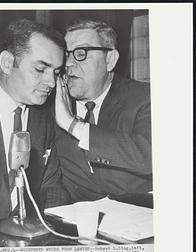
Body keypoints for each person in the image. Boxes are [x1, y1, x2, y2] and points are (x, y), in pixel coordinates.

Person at [0, 19, 70, 225]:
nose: (52, 83)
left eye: (56, 72)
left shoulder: (43, 115)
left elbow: (52, 185)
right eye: (40, 69)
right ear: (7, 63)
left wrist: (51, 226)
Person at [55, 20, 152, 204]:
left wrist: (72, 124)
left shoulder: (145, 98)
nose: (68, 64)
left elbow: (151, 156)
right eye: (65, 54)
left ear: (110, 60)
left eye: (80, 53)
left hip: (139, 219)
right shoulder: (50, 104)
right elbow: (50, 181)